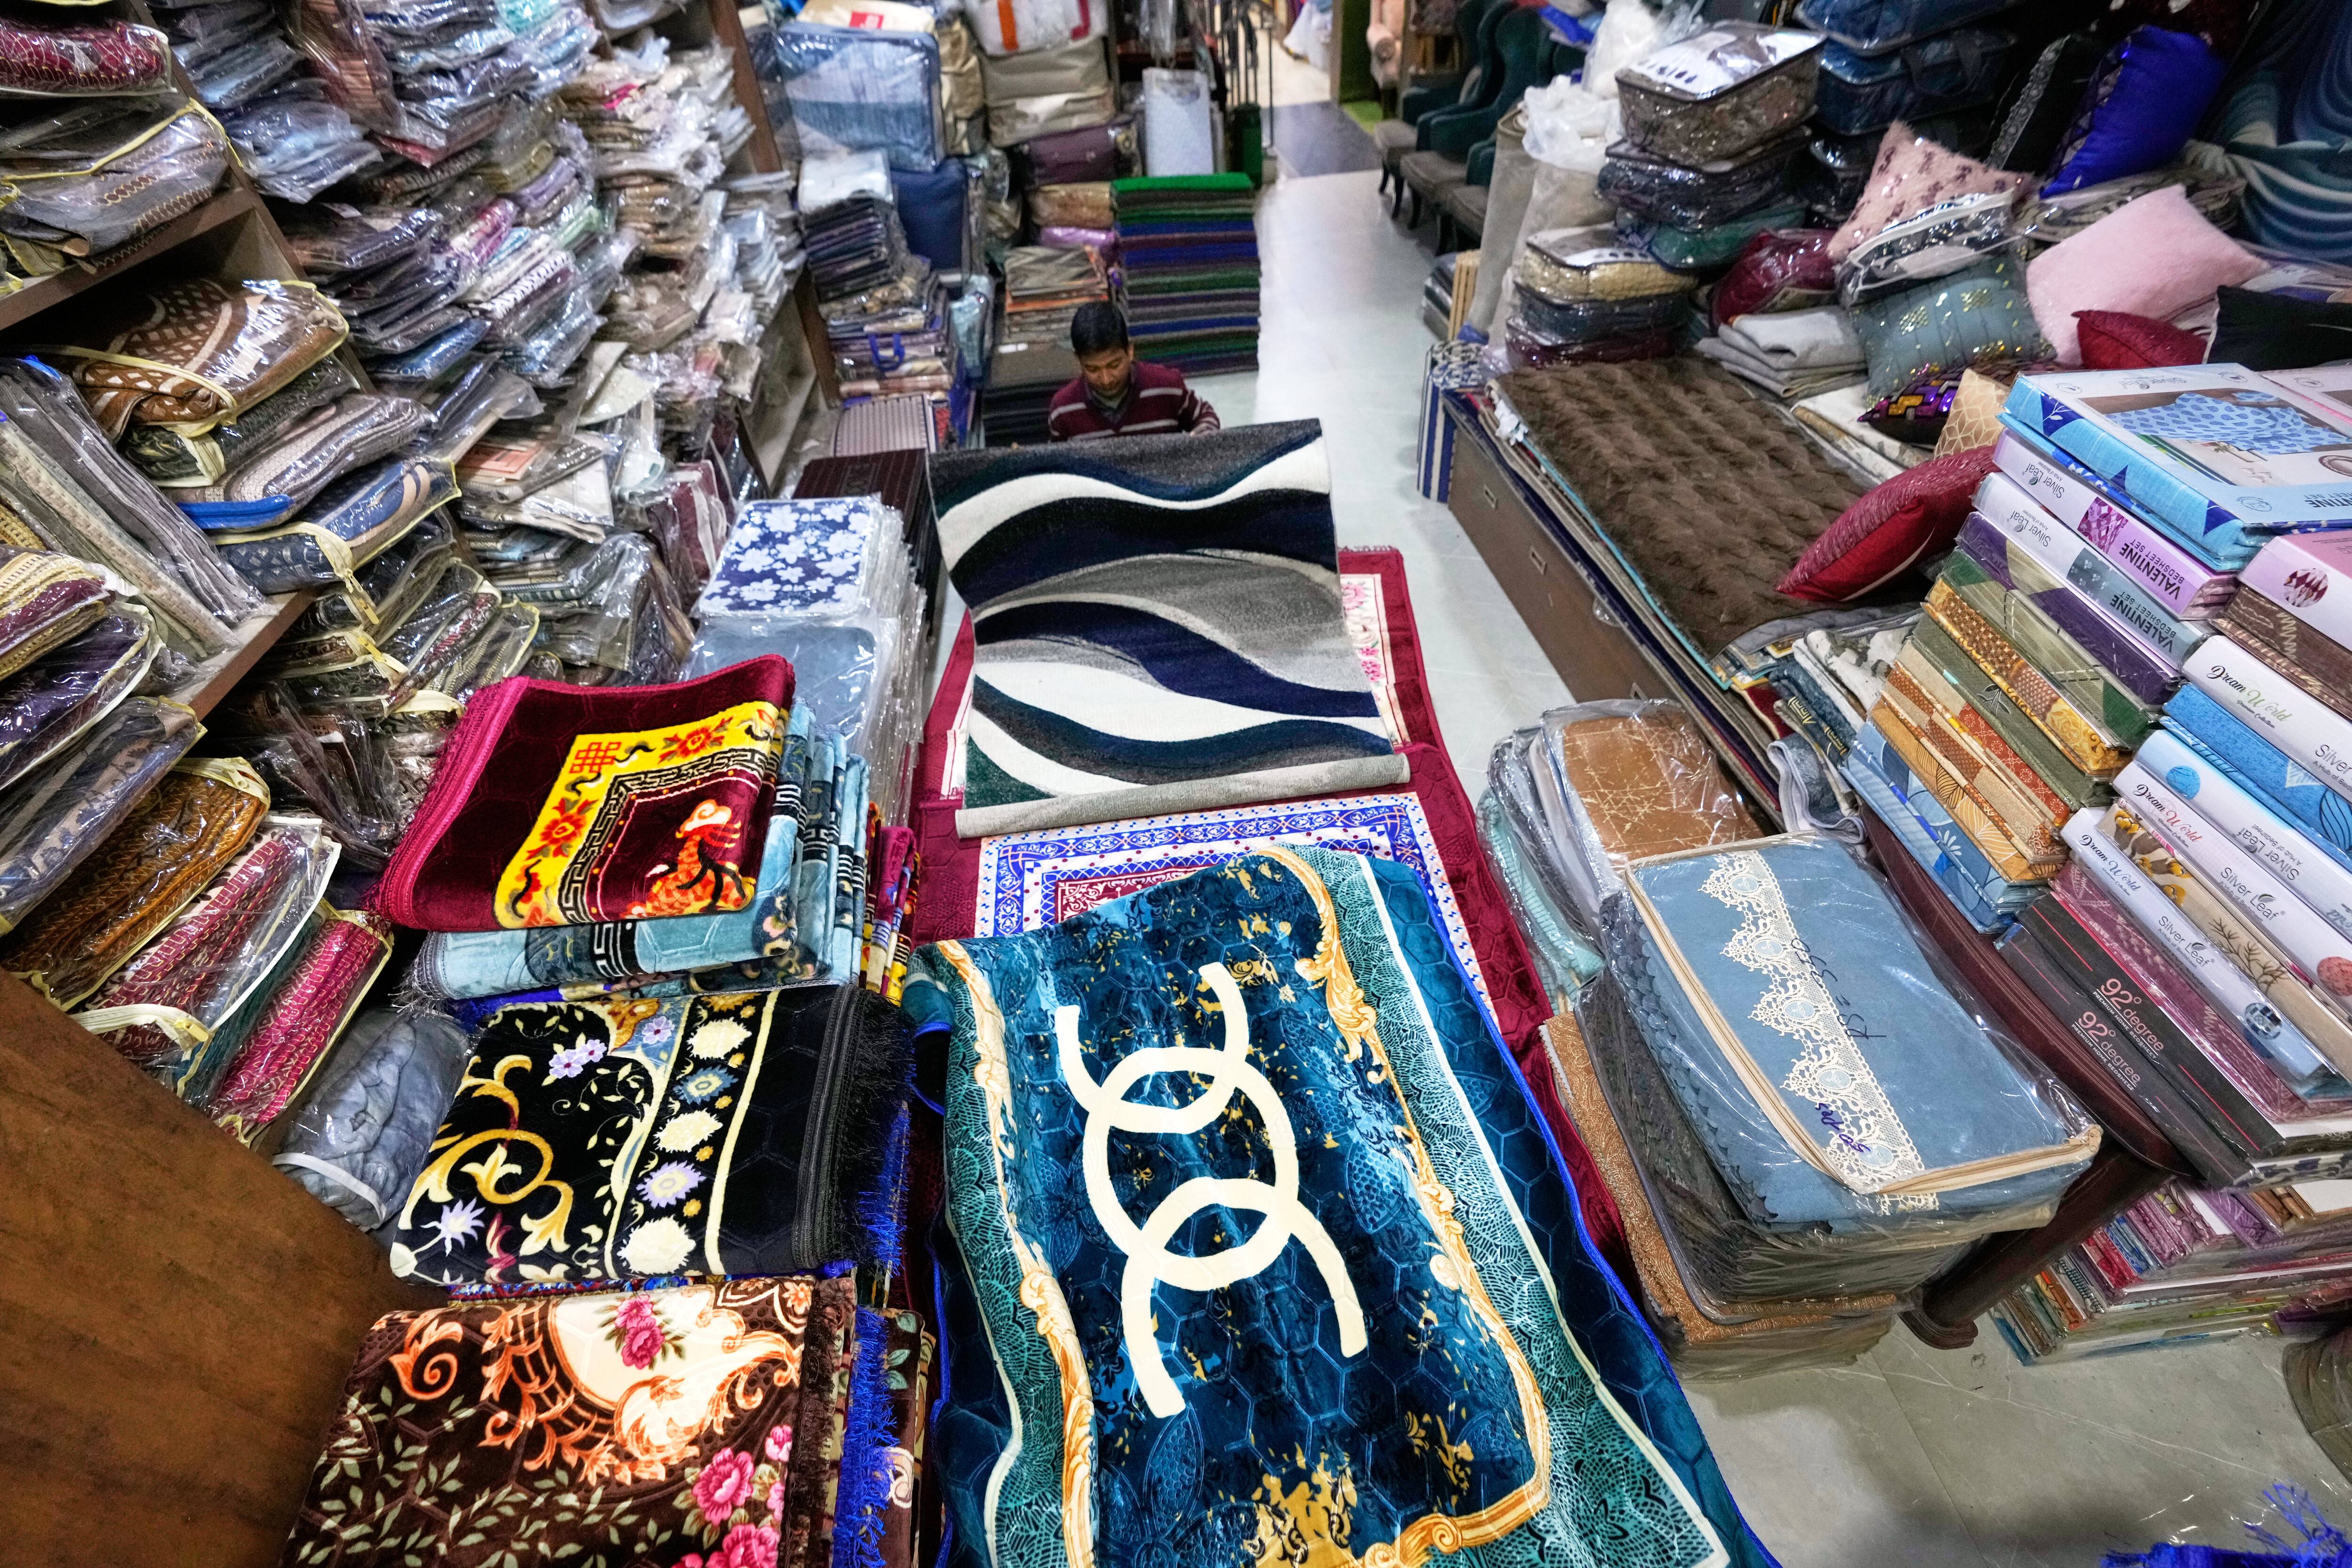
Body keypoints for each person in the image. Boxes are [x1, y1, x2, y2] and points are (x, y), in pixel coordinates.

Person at [1046, 302, 1222, 440]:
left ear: (1130, 351)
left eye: (1114, 365)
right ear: (1079, 360)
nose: (1106, 379)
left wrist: (1202, 436)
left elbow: (1206, 416)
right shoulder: (1063, 409)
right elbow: (1057, 467)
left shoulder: (1167, 387)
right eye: (1093, 369)